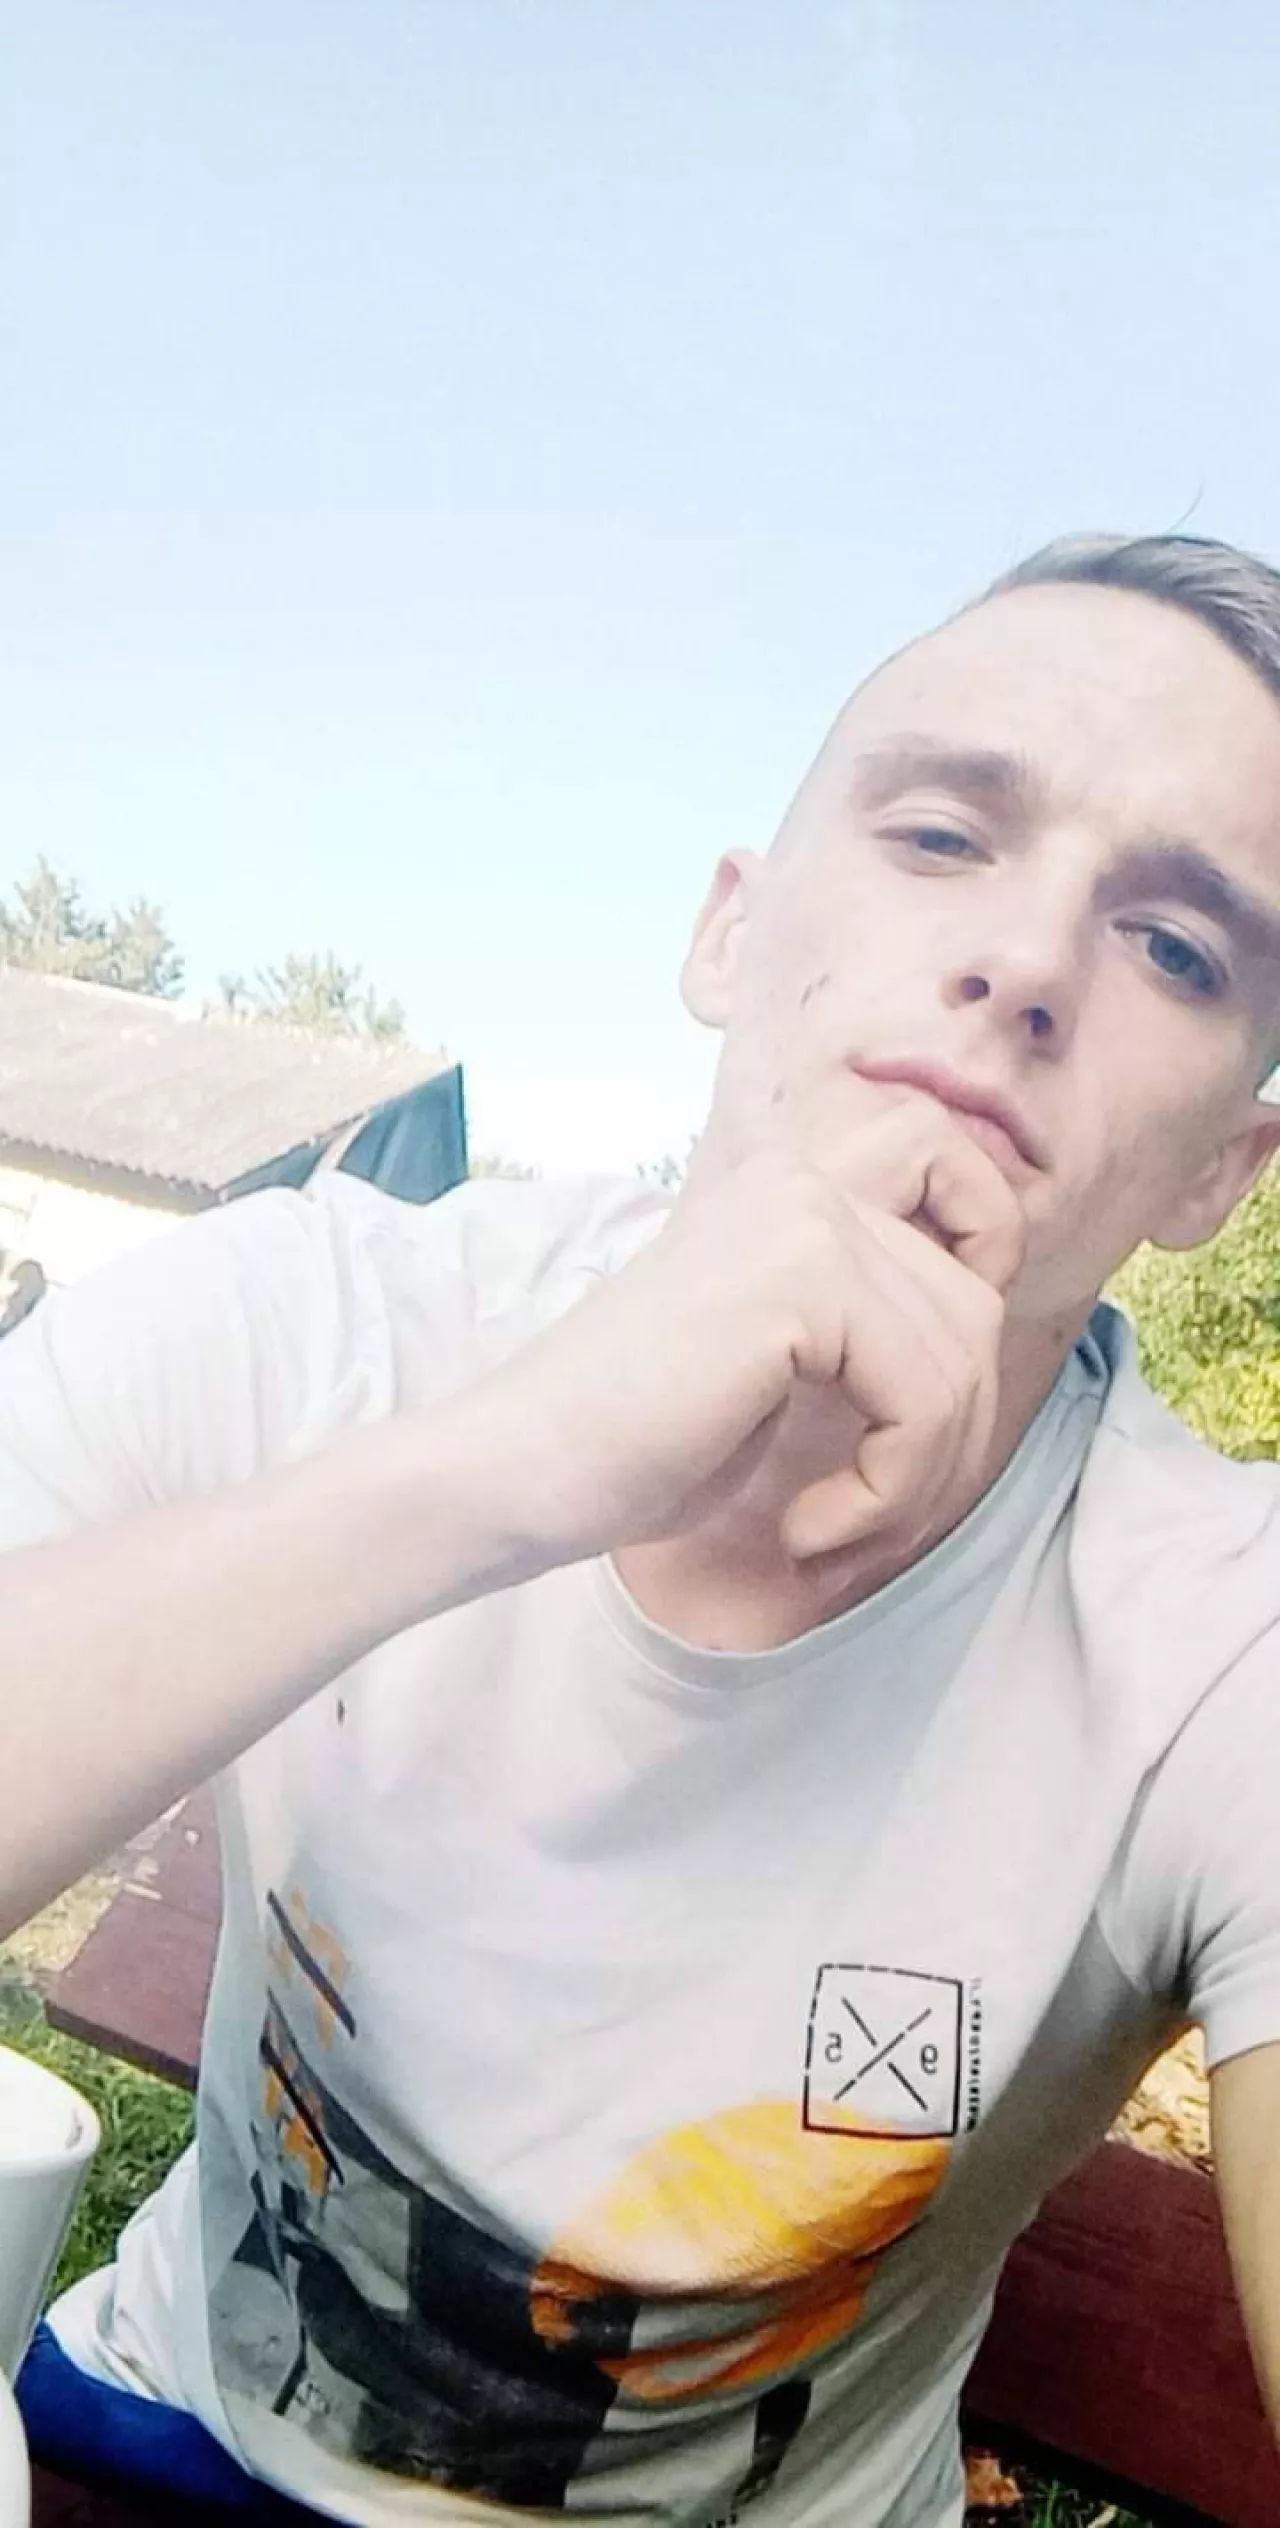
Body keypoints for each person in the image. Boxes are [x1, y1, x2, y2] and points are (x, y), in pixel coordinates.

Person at [5, 530, 1280, 2528]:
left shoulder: (1219, 1636)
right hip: (162, 2450)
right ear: (727, 936)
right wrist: (504, 1469)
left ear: (1223, 1170)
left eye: (1179, 949)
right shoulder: (317, 1318)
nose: (1030, 964)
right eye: (945, 833)